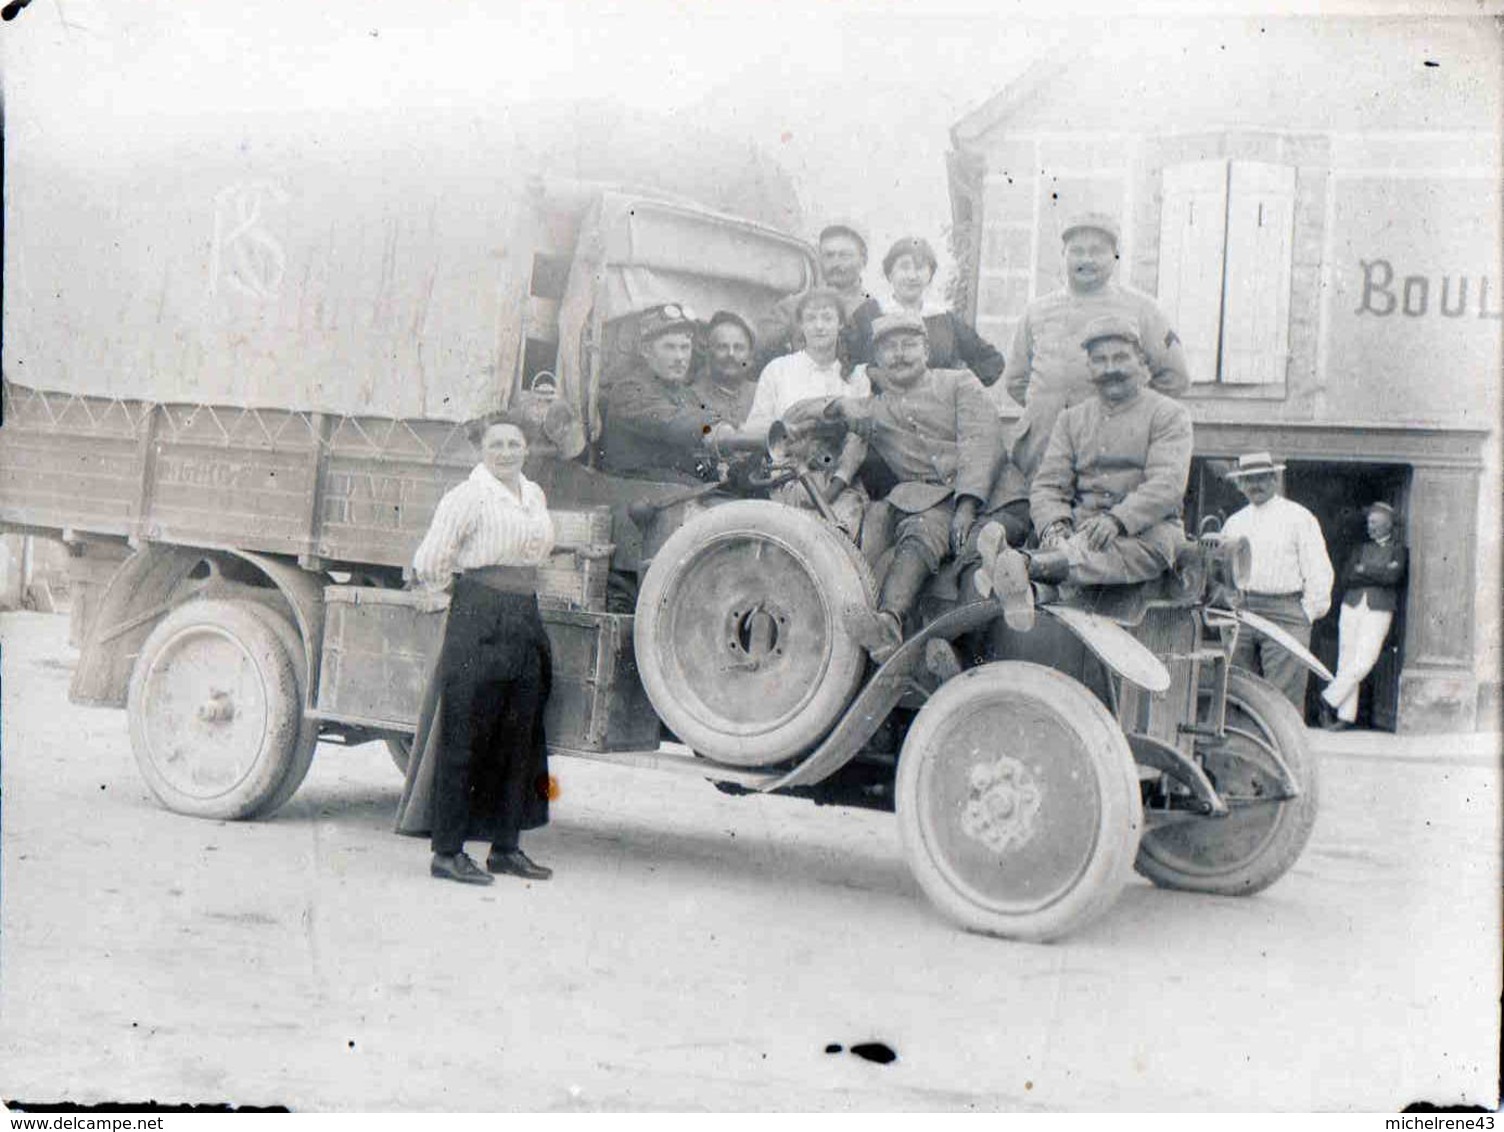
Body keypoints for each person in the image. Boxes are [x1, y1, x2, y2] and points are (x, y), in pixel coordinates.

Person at [396, 417, 556, 886]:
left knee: (520, 737)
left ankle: (506, 848)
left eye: (514, 443)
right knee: (466, 734)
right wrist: (450, 600)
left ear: (527, 448)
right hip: (480, 614)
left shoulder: (534, 494)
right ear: (481, 449)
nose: (505, 452)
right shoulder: (467, 496)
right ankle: (447, 852)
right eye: (496, 444)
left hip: (525, 613)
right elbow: (431, 559)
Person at [978, 315, 1194, 631]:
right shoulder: (1071, 420)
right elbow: (1049, 486)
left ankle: (1023, 565)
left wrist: (1117, 519)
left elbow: (1167, 484)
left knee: (1118, 550)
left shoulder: (1168, 415)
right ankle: (1025, 581)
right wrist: (1054, 526)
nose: (1111, 369)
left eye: (1120, 358)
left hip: (1146, 535)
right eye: (1100, 360)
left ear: (1141, 361)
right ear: (1090, 368)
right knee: (1075, 551)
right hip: (1079, 533)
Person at [823, 312, 1004, 662]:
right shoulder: (874, 408)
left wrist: (967, 504)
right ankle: (885, 626)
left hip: (989, 497)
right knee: (910, 528)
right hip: (929, 502)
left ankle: (932, 642)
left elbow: (981, 441)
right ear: (876, 361)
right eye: (890, 349)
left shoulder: (959, 382)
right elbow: (799, 415)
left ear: (927, 350)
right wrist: (840, 404)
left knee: (954, 546)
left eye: (909, 345)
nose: (900, 355)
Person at [1002, 213, 1190, 486]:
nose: (1086, 260)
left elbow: (1175, 377)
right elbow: (1016, 380)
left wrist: (1130, 412)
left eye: (1097, 251)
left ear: (1114, 256)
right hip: (1041, 447)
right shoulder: (1037, 311)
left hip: (1111, 452)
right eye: (1076, 251)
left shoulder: (1142, 309)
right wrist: (1051, 407)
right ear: (1063, 255)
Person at [1221, 451, 1334, 710]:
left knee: (1283, 697)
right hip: (1242, 611)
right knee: (1239, 690)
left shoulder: (1299, 518)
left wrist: (1307, 612)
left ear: (1274, 480)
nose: (1255, 485)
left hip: (1286, 612)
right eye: (1248, 480)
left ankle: (1284, 750)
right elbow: (1224, 571)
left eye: (1262, 478)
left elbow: (1318, 570)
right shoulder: (1234, 522)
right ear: (1240, 484)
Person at [734, 288, 872, 495]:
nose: (819, 326)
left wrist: (836, 484)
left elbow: (859, 439)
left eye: (827, 318)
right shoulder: (778, 369)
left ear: (840, 323)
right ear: (800, 324)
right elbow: (757, 428)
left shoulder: (857, 376)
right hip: (787, 479)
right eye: (811, 318)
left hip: (842, 483)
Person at [596, 303, 736, 485]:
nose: (680, 357)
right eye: (669, 347)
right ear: (646, 351)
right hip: (639, 498)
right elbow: (672, 423)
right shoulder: (628, 390)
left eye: (685, 347)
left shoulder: (687, 395)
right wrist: (717, 426)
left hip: (677, 493)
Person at [847, 236, 1006, 386]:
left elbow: (992, 361)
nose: (912, 276)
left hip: (936, 412)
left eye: (920, 268)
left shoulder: (944, 319)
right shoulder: (868, 314)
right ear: (890, 273)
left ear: (930, 275)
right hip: (882, 411)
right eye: (904, 267)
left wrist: (958, 388)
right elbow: (844, 363)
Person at [1318, 502, 1408, 730]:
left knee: (1365, 659)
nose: (1370, 527)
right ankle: (1345, 717)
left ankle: (1328, 697)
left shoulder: (1399, 550)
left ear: (1388, 525)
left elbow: (1393, 578)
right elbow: (1348, 576)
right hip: (1352, 605)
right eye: (1369, 523)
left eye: (1375, 523)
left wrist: (1364, 570)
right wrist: (1377, 572)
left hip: (1379, 607)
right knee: (1346, 659)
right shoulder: (1359, 548)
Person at [755, 221, 873, 367]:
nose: (836, 263)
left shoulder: (873, 309)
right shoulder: (791, 306)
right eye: (829, 256)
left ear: (863, 260)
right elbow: (757, 347)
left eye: (845, 256)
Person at [698, 310, 759, 427]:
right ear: (709, 354)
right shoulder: (692, 398)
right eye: (722, 347)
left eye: (739, 348)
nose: (731, 354)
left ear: (750, 356)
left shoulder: (764, 393)